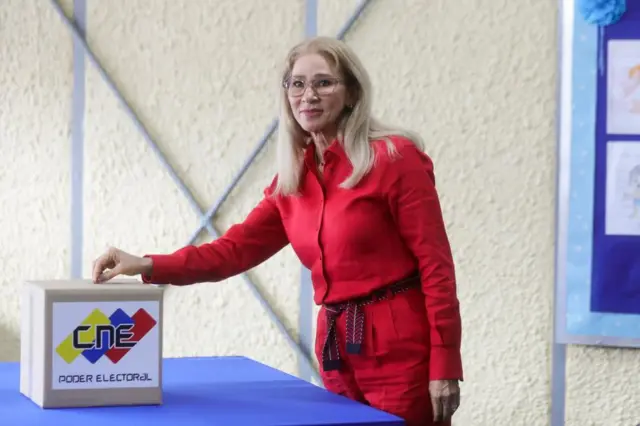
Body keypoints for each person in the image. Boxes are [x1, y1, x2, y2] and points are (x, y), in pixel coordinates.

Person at [92, 36, 463, 425]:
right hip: (336, 346)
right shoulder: (293, 179)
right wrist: (148, 264)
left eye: (324, 82)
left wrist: (445, 361)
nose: (308, 95)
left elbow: (437, 268)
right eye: (297, 84)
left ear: (352, 92)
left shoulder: (394, 159)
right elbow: (231, 251)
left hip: (401, 349)